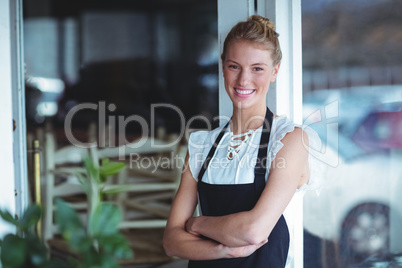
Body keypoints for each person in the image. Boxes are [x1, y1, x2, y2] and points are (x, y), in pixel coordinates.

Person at [163, 15, 322, 267]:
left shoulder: (289, 140)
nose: (243, 80)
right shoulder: (202, 145)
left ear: (275, 71)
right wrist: (225, 251)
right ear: (222, 66)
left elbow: (254, 231)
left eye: (257, 68)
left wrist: (197, 224)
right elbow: (171, 242)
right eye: (234, 66)